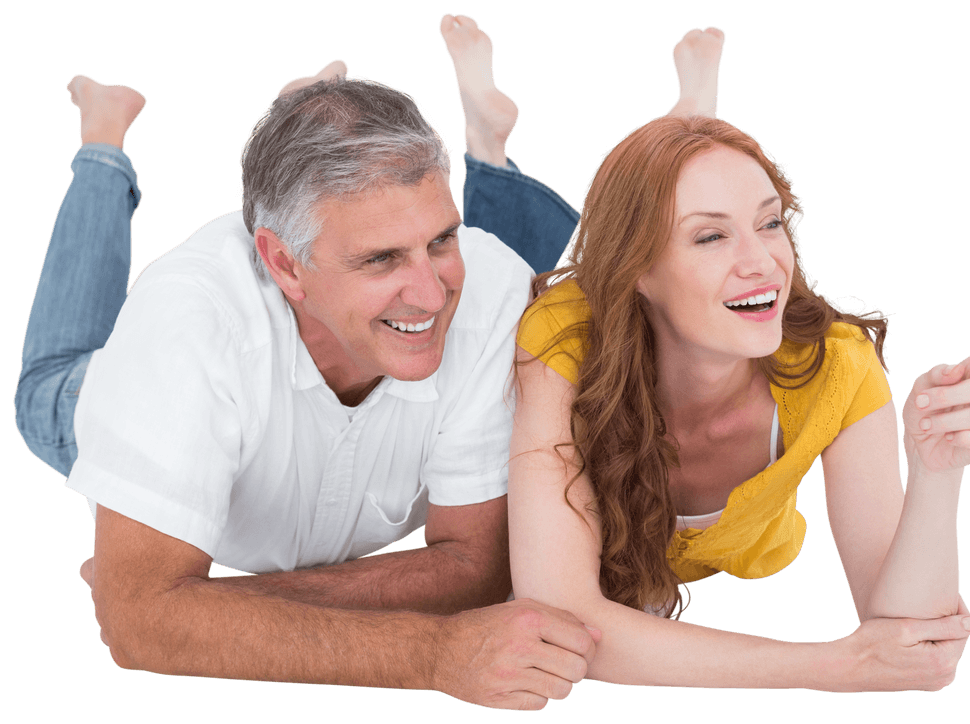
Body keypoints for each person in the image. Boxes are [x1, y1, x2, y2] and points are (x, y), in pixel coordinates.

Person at [11, 19, 603, 710]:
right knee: (45, 387)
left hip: (233, 391)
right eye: (381, 258)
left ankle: (308, 119)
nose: (432, 292)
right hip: (111, 396)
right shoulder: (188, 324)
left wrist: (195, 607)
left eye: (441, 239)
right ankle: (103, 143)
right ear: (284, 264)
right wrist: (436, 654)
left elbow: (474, 569)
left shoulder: (494, 292)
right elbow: (138, 628)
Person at [465, 26, 970, 690]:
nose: (764, 264)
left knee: (676, 181)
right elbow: (560, 621)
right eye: (711, 235)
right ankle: (489, 145)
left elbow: (918, 648)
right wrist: (834, 665)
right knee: (507, 261)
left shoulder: (840, 368)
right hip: (602, 305)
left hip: (648, 304)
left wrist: (936, 470)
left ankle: (694, 121)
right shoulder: (562, 334)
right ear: (639, 271)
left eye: (771, 221)